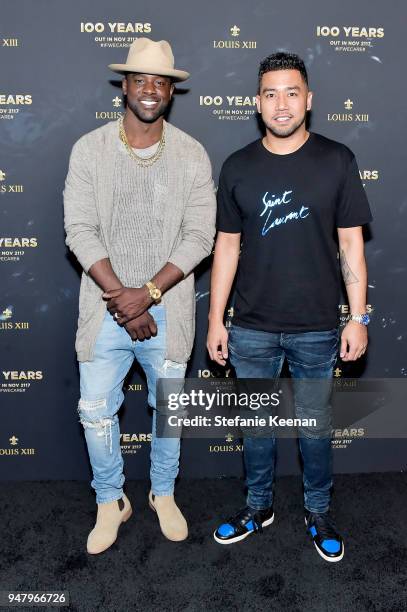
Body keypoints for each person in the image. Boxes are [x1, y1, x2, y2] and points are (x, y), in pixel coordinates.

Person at [207, 52, 372, 562]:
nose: (282, 104)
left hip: (318, 327)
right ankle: (258, 507)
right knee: (256, 429)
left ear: (309, 99)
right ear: (257, 103)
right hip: (252, 326)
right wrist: (216, 319)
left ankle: (318, 511)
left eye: (292, 92)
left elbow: (351, 246)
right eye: (271, 93)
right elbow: (227, 247)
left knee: (316, 429)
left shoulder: (337, 160)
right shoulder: (237, 166)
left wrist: (358, 317)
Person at [64, 38, 216, 554]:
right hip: (105, 309)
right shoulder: (90, 149)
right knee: (95, 410)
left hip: (167, 308)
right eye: (141, 80)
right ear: (124, 86)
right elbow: (79, 230)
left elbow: (199, 236)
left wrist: (147, 294)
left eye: (161, 82)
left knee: (168, 410)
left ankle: (162, 493)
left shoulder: (192, 154)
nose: (150, 90)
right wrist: (123, 301)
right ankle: (111, 500)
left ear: (171, 92)